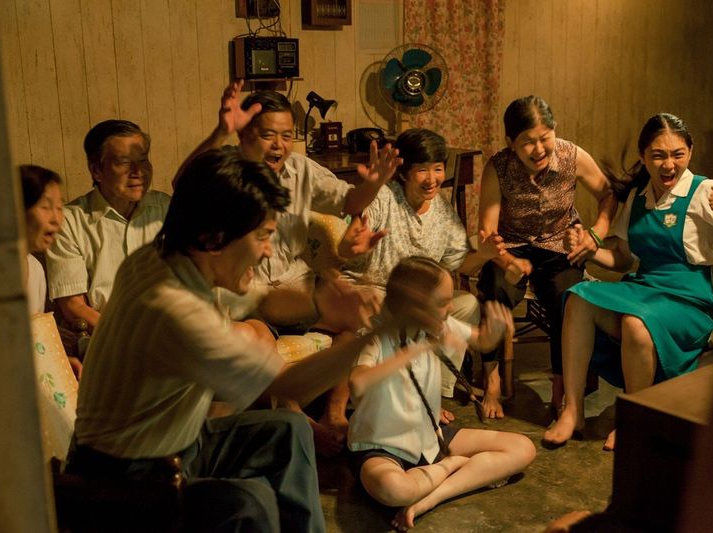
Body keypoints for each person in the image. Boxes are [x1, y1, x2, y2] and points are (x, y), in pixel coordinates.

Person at [65, 148, 440, 532]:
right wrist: (373, 334)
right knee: (247, 503)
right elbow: (284, 385)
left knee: (288, 431)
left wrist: (320, 299)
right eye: (262, 237)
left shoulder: (170, 257)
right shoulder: (173, 309)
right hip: (122, 480)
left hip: (176, 445)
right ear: (214, 237)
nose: (266, 252)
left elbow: (262, 297)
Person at [174, 81, 401, 455]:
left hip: (294, 282)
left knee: (353, 315)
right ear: (245, 134)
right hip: (243, 291)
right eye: (267, 135)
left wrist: (373, 185)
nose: (279, 145)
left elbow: (349, 200)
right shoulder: (227, 170)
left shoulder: (300, 169)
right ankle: (305, 426)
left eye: (287, 135)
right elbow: (185, 184)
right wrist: (221, 131)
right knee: (260, 336)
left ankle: (335, 415)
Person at [543, 113, 713, 450]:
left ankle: (633, 417)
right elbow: (621, 258)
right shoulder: (638, 196)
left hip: (688, 299)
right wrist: (587, 251)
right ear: (643, 156)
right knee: (579, 298)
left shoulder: (706, 190)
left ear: (690, 152)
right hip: (644, 287)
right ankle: (573, 410)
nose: (668, 164)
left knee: (636, 324)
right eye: (658, 155)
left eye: (677, 154)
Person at [348, 256, 536, 532]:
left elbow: (481, 339)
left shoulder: (437, 325)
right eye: (442, 303)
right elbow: (357, 384)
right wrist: (412, 352)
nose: (450, 310)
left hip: (430, 438)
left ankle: (430, 497)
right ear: (414, 307)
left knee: (523, 448)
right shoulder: (376, 335)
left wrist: (494, 331)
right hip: (382, 447)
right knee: (393, 490)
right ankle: (454, 467)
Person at [339, 128, 508, 398]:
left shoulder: (442, 211)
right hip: (372, 290)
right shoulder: (384, 197)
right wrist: (353, 240)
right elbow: (349, 240)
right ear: (404, 172)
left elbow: (460, 265)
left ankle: (436, 393)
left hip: (416, 299)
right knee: (391, 309)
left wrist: (485, 254)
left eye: (438, 169)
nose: (432, 179)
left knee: (466, 304)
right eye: (422, 171)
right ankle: (399, 393)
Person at [476, 96, 618, 419]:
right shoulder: (497, 168)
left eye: (544, 138)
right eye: (527, 142)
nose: (538, 149)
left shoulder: (572, 156)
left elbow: (608, 193)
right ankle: (492, 380)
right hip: (510, 248)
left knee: (567, 298)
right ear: (511, 143)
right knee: (495, 289)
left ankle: (561, 388)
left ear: (554, 130)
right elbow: (487, 233)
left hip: (558, 245)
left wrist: (595, 234)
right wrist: (508, 263)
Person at [46, 120, 170, 339]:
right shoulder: (70, 222)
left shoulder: (165, 208)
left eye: (143, 160)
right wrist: (131, 338)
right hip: (109, 341)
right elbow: (74, 306)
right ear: (96, 170)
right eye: (124, 162)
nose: (138, 172)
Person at [19, 164, 82, 377]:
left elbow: (34, 340)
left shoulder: (35, 269)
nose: (56, 219)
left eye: (60, 207)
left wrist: (59, 363)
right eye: (46, 207)